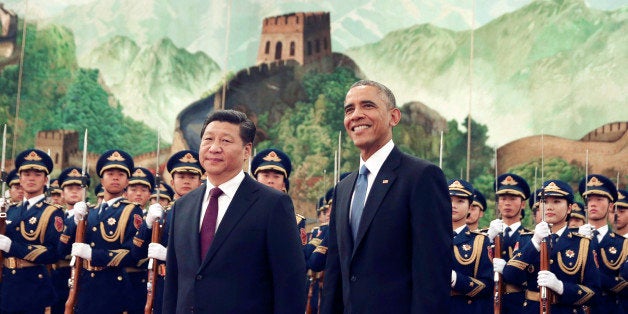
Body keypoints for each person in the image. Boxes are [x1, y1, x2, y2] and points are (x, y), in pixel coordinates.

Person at [321, 80, 452, 313]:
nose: (356, 115)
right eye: (349, 109)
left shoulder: (421, 177)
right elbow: (335, 273)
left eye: (368, 106)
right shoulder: (343, 188)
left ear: (394, 117)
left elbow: (432, 274)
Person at [163, 109, 306, 313]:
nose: (214, 148)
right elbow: (174, 283)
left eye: (226, 141)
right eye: (208, 139)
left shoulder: (272, 204)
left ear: (247, 150)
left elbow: (290, 282)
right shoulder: (182, 206)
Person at [58, 149, 144, 314]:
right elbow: (61, 249)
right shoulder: (89, 212)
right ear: (102, 180)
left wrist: (93, 255)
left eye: (121, 174)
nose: (115, 177)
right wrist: (74, 221)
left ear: (127, 182)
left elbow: (134, 254)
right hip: (85, 287)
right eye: (110, 173)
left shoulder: (131, 211)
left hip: (113, 288)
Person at [502, 179, 600, 313]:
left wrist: (561, 287)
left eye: (556, 201)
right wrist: (535, 242)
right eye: (544, 201)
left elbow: (594, 294)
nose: (549, 207)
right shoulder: (527, 239)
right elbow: (510, 275)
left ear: (569, 208)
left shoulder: (582, 243)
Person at [132, 150, 204, 314]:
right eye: (181, 177)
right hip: (162, 287)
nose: (186, 181)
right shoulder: (164, 214)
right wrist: (148, 224)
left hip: (191, 289)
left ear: (200, 182)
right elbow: (137, 253)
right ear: (172, 181)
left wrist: (169, 255)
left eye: (192, 177)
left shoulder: (205, 214)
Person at [0, 149, 64, 313]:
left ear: (45, 180)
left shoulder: (52, 212)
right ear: (20, 179)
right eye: (26, 174)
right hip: (7, 283)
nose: (31, 178)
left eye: (37, 174)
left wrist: (12, 247)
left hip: (33, 284)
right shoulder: (10, 210)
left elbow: (53, 252)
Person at [577, 174, 626, 314]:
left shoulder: (623, 244)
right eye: (589, 200)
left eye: (599, 199)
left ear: (611, 206)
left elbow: (624, 286)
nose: (593, 203)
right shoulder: (573, 238)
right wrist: (579, 240)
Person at [488, 173, 532, 314]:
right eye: (503, 198)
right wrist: (488, 239)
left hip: (518, 303)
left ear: (523, 204)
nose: (507, 203)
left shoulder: (530, 237)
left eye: (513, 199)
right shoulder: (485, 235)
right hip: (489, 301)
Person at [448, 179, 492, 313]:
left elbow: (487, 286)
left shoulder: (479, 241)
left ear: (469, 206)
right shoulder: (429, 238)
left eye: (460, 201)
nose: (453, 205)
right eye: (449, 200)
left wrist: (455, 279)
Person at [51, 166, 89, 314]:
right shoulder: (55, 216)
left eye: (79, 188)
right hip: (59, 274)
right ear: (62, 193)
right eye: (69, 188)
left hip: (81, 273)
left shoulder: (92, 216)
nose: (74, 191)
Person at [251, 148, 307, 245]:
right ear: (256, 181)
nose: (270, 181)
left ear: (284, 185)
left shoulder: (295, 221)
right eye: (265, 175)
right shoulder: (243, 214)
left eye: (276, 177)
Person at [125, 166, 156, 314]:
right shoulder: (116, 218)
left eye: (144, 190)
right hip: (119, 276)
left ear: (150, 194)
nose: (138, 193)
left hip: (144, 278)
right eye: (133, 189)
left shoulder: (156, 220)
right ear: (125, 192)